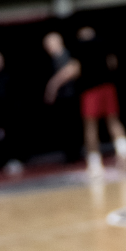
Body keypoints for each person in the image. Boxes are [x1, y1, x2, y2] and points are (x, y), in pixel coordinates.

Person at [72, 24, 126, 176]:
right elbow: (112, 63)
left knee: (90, 125)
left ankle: (94, 164)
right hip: (107, 87)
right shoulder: (103, 42)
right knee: (113, 121)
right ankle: (125, 153)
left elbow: (76, 69)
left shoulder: (79, 46)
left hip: (90, 90)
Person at [41, 30, 82, 165]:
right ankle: (70, 154)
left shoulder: (67, 55)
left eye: (49, 43)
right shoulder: (52, 59)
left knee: (73, 125)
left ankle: (76, 153)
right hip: (61, 98)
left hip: (70, 96)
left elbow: (73, 70)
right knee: (64, 127)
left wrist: (53, 85)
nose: (47, 46)